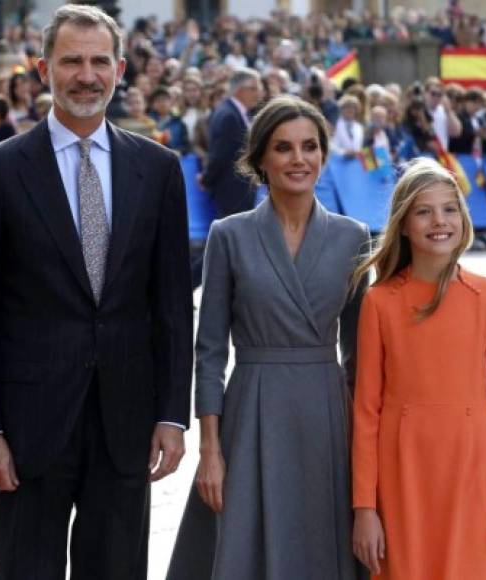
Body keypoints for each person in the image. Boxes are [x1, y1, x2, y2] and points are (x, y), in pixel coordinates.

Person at [0, 5, 193, 578]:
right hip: (29, 428)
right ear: (42, 69)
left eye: (99, 61)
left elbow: (172, 304)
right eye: (72, 61)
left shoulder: (158, 169)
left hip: (126, 421)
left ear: (120, 68)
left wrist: (172, 415)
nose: (87, 74)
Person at [167, 96, 370, 580]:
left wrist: (364, 452)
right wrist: (210, 451)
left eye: (309, 147)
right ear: (261, 158)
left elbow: (361, 356)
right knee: (244, 550)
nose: (298, 159)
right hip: (251, 411)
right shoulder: (229, 235)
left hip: (328, 418)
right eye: (283, 148)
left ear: (323, 154)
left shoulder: (354, 236)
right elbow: (210, 351)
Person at [351, 157, 486, 579]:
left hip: (471, 478)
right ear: (403, 224)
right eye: (423, 211)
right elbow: (366, 412)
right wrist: (365, 508)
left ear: (463, 219)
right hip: (401, 479)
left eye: (449, 209)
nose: (438, 221)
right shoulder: (380, 302)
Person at [200, 67, 263, 218]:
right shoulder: (229, 115)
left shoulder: (237, 112)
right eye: (254, 88)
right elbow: (219, 154)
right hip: (231, 193)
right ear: (240, 90)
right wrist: (206, 179)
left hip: (239, 192)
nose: (258, 93)